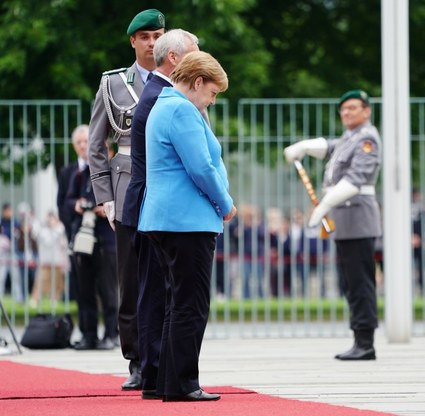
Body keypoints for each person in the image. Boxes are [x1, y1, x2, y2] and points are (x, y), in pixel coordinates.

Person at [139, 50, 236, 402]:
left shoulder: (163, 105)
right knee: (191, 305)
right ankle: (183, 383)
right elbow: (201, 168)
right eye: (212, 93)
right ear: (197, 83)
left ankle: (166, 381)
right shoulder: (182, 109)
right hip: (187, 221)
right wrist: (225, 203)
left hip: (166, 218)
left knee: (176, 303)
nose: (212, 100)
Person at [88, 9, 165, 390]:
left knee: (167, 276)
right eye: (146, 36)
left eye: (158, 35)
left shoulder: (179, 78)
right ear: (133, 41)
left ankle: (165, 354)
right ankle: (136, 359)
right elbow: (96, 145)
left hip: (168, 186)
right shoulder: (114, 83)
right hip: (127, 185)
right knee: (131, 279)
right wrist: (105, 197)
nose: (153, 42)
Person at [121, 28, 199, 400]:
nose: (201, 59)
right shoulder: (161, 97)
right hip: (157, 206)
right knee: (156, 294)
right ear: (175, 60)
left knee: (157, 291)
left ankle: (155, 373)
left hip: (149, 203)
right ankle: (153, 374)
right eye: (195, 53)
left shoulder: (156, 93)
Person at [284, 89, 382, 361]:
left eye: (353, 108)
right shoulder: (350, 138)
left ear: (366, 111)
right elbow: (329, 147)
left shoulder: (368, 139)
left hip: (357, 218)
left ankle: (365, 341)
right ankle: (359, 338)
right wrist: (304, 146)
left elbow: (356, 178)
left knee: (360, 283)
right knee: (349, 282)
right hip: (346, 220)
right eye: (344, 109)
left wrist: (324, 206)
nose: (347, 113)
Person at [64, 145, 118, 350]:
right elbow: (68, 200)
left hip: (106, 239)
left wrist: (106, 208)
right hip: (84, 237)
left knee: (108, 291)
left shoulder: (115, 172)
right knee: (84, 290)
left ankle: (111, 334)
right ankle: (89, 334)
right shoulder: (82, 173)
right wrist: (78, 205)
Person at [57, 125, 90, 302]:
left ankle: (110, 330)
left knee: (107, 289)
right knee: (82, 290)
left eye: (86, 141)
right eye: (79, 142)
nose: (83, 145)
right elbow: (61, 204)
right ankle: (87, 329)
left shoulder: (102, 168)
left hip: (101, 237)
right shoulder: (67, 172)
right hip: (77, 235)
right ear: (74, 145)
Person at [30, 211, 68, 308]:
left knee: (57, 283)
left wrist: (55, 224)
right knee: (40, 282)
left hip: (56, 262)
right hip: (44, 263)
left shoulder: (59, 228)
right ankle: (35, 300)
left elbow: (60, 230)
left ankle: (54, 300)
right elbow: (40, 236)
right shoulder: (43, 231)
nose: (50, 221)